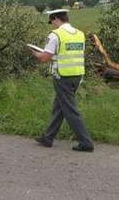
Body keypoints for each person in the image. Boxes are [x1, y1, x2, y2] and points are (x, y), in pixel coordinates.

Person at [30, 8, 94, 152]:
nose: (52, 25)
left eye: (52, 21)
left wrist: (35, 53)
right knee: (59, 107)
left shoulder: (55, 35)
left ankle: (86, 142)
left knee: (70, 110)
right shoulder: (79, 34)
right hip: (77, 75)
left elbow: (45, 58)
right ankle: (48, 137)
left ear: (56, 19)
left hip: (62, 76)